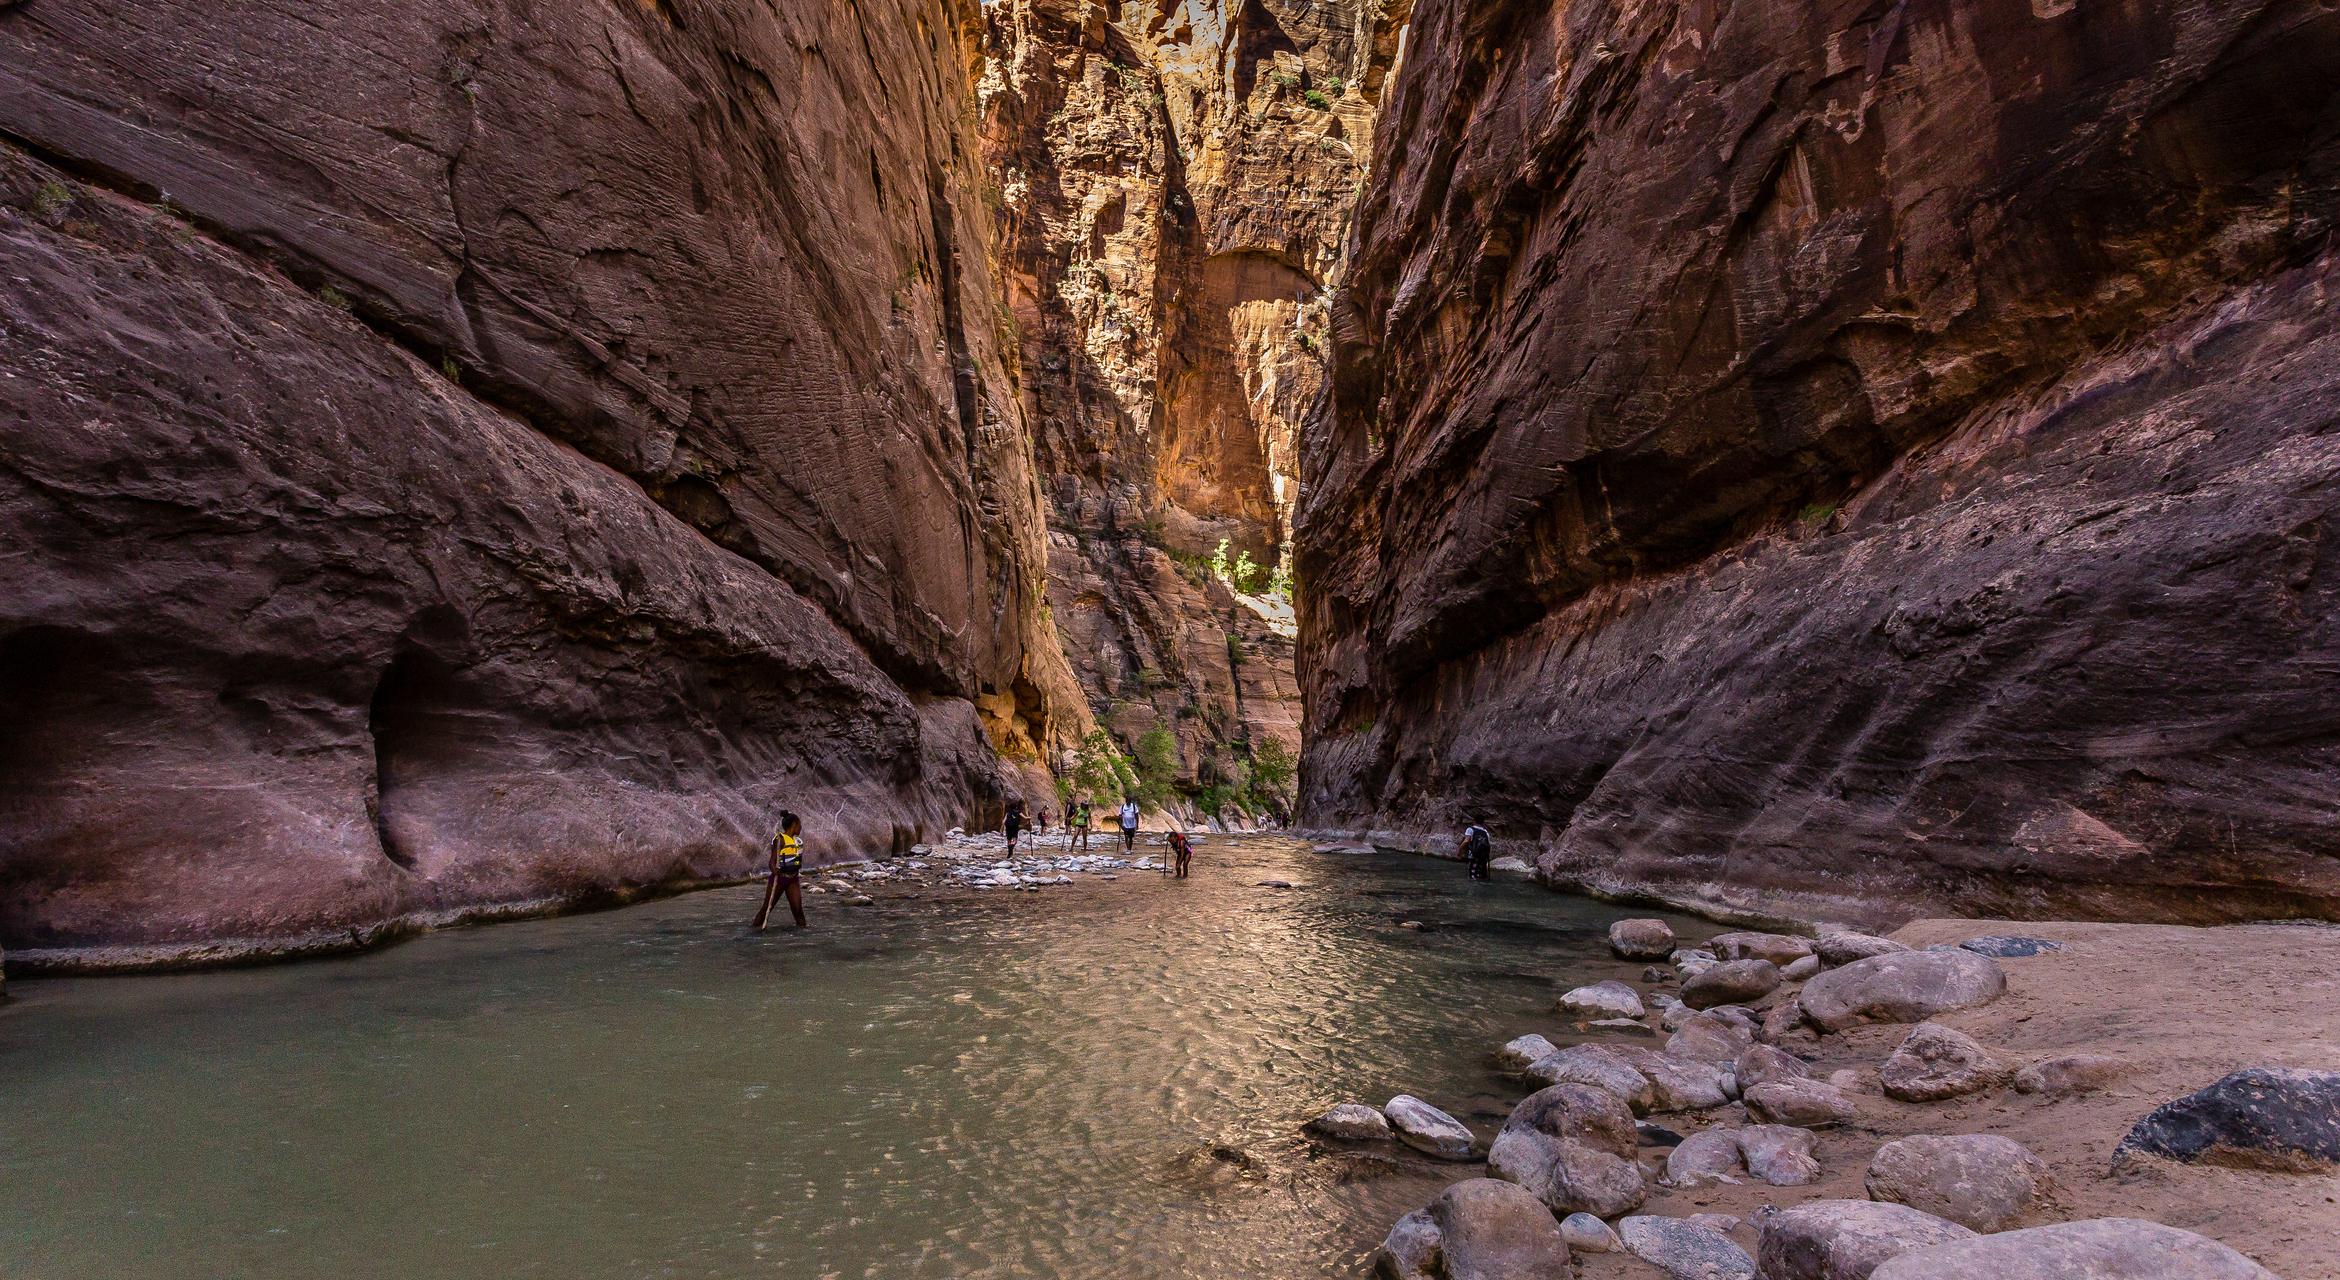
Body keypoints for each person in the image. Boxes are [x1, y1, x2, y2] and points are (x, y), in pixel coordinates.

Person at [752, 810, 807, 929]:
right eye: (800, 825)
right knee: (766, 909)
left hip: (793, 879)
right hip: (780, 879)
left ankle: (804, 935)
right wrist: (773, 869)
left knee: (798, 910)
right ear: (794, 825)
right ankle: (752, 932)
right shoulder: (781, 839)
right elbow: (772, 861)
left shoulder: (796, 840)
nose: (801, 828)